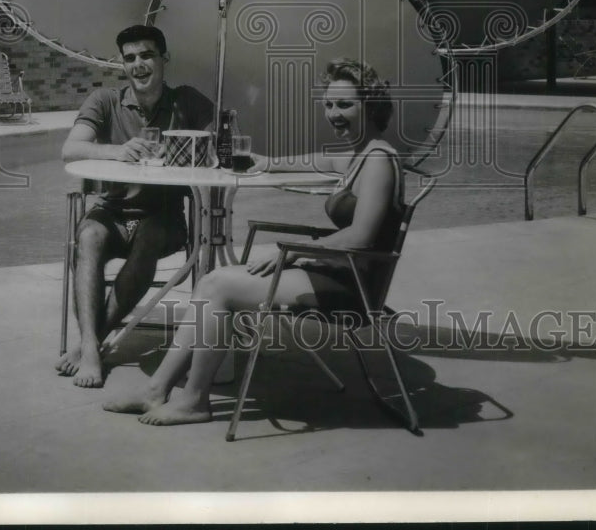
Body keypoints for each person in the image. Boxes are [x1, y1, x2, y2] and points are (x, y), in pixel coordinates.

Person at [104, 57, 403, 426]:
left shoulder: (378, 161)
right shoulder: (361, 155)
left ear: (370, 105)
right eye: (328, 104)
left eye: (345, 104)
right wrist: (267, 162)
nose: (333, 113)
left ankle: (193, 400)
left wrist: (290, 257)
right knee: (214, 282)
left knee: (217, 286)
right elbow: (316, 162)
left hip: (349, 285)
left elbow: (361, 237)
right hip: (335, 270)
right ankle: (158, 390)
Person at [56, 24, 213, 388]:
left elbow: (223, 141)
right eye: (130, 58)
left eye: (147, 55)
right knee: (90, 234)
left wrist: (188, 150)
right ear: (123, 65)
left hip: (164, 217)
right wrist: (116, 150)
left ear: (164, 59)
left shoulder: (186, 100)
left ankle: (90, 343)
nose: (139, 64)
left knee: (150, 234)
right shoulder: (105, 100)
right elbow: (70, 148)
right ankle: (93, 349)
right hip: (112, 213)